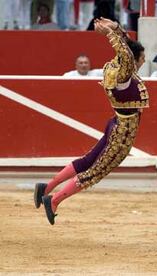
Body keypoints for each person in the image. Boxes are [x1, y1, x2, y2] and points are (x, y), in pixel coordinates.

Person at [34, 17, 149, 225]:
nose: (143, 61)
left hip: (115, 122)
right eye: (141, 58)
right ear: (134, 59)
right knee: (96, 171)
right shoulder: (124, 72)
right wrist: (111, 34)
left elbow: (126, 50)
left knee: (88, 160)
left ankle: (47, 186)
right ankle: (54, 199)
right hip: (123, 130)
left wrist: (117, 28)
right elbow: (126, 52)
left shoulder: (115, 67)